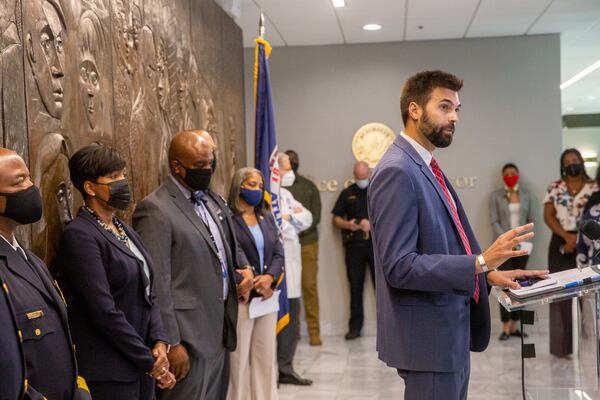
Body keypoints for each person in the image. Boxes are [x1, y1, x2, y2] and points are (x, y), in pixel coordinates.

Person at [368, 70, 548, 400]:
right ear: (415, 110)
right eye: (445, 107)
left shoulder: (424, 165)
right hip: (428, 340)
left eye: (457, 109)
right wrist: (479, 262)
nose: (454, 117)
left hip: (449, 331)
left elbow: (443, 245)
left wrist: (489, 274)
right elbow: (399, 266)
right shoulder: (397, 170)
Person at [133, 130, 254, 400]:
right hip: (187, 338)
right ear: (177, 166)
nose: (208, 169)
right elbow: (158, 282)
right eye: (200, 165)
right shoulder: (155, 209)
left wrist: (245, 270)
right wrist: (172, 342)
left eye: (210, 162)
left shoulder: (210, 199)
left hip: (218, 329)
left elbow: (226, 248)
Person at [55, 143, 175, 399]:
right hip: (111, 371)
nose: (123, 182)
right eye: (113, 177)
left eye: (123, 174)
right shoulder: (80, 236)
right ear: (89, 187)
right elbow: (103, 310)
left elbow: (148, 289)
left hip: (140, 364)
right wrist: (147, 359)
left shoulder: (122, 227)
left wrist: (159, 342)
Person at [0, 148, 91, 400]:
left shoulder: (32, 261)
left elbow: (64, 342)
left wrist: (80, 392)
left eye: (29, 177)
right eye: (20, 182)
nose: (32, 187)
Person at [227, 167, 283, 400]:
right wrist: (248, 280)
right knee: (238, 361)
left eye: (260, 186)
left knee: (265, 358)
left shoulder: (267, 216)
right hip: (242, 299)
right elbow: (229, 254)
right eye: (251, 185)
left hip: (266, 298)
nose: (257, 190)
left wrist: (269, 277)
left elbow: (279, 252)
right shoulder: (228, 219)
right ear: (239, 186)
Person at [544, 148, 597, 358]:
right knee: (559, 297)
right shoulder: (554, 187)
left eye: (575, 160)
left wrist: (578, 239)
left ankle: (592, 347)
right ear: (562, 165)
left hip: (589, 242)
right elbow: (548, 216)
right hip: (560, 243)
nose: (571, 163)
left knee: (590, 296)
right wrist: (567, 237)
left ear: (582, 162)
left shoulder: (595, 186)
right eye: (567, 161)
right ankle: (561, 349)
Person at [277, 152, 313, 386]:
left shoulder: (286, 195)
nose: (284, 172)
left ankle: (286, 367)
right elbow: (282, 228)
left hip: (293, 269)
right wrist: (290, 221)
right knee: (278, 324)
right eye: (281, 167)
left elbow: (307, 218)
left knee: (292, 324)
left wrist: (288, 217)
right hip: (277, 272)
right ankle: (275, 368)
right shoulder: (268, 197)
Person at [489, 163, 535, 340]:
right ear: (502, 176)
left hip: (524, 246)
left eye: (513, 173)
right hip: (503, 246)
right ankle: (505, 327)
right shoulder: (495, 196)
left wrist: (522, 239)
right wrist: (508, 241)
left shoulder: (527, 194)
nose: (510, 176)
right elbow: (494, 221)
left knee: (521, 283)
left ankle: (516, 326)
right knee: (504, 283)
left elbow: (531, 219)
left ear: (518, 174)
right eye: (506, 174)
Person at [332, 160, 374, 340]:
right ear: (354, 175)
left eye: (364, 177)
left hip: (376, 247)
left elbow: (390, 218)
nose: (362, 180)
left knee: (382, 289)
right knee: (355, 287)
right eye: (359, 177)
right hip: (354, 246)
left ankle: (389, 328)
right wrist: (348, 224)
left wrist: (372, 225)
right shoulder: (347, 193)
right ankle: (355, 328)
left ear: (369, 174)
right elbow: (336, 219)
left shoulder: (378, 191)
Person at [284, 150, 322, 346]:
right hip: (284, 245)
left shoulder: (308, 187)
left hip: (307, 243)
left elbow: (314, 217)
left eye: (294, 160)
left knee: (309, 286)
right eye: (289, 160)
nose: (292, 163)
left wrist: (294, 227)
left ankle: (314, 332)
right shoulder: (278, 188)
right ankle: (292, 333)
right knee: (289, 289)